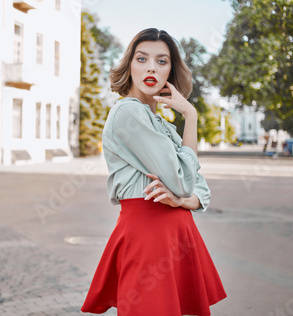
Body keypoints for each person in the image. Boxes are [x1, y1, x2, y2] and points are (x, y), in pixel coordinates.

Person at [81, 28, 227, 316]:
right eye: (142, 58)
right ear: (130, 65)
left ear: (171, 71)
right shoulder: (128, 113)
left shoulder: (160, 122)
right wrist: (192, 116)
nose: (151, 67)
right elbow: (186, 181)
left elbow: (201, 190)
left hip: (174, 233)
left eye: (162, 61)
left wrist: (180, 200)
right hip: (149, 236)